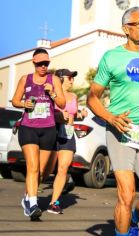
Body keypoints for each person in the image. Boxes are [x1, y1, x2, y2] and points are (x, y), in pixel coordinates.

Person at [87, 7, 139, 236]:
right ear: (126, 29)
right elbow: (92, 97)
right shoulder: (112, 57)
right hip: (120, 132)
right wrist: (110, 117)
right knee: (126, 193)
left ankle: (132, 218)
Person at [11, 48, 65, 220]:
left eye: (46, 63)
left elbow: (62, 103)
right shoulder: (25, 79)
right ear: (34, 62)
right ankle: (33, 205)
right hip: (28, 127)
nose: (43, 66)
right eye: (40, 63)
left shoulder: (54, 79)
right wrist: (23, 104)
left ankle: (27, 197)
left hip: (48, 128)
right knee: (32, 167)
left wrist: (53, 93)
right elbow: (15, 100)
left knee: (42, 171)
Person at [46, 68, 86, 214]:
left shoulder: (73, 96)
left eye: (73, 78)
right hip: (52, 131)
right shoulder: (51, 93)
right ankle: (30, 197)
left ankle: (53, 203)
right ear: (60, 79)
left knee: (63, 168)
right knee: (45, 170)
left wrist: (81, 114)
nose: (72, 80)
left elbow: (73, 114)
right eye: (69, 78)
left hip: (68, 133)